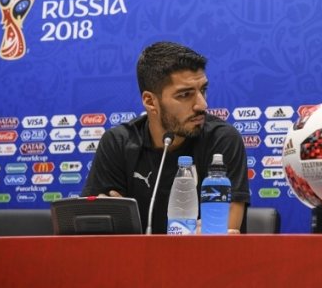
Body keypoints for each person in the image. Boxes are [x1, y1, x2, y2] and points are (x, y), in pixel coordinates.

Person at [82, 41, 249, 234]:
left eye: (203, 90)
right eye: (185, 95)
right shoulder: (118, 143)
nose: (202, 105)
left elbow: (224, 231)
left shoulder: (222, 140)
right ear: (150, 101)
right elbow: (95, 230)